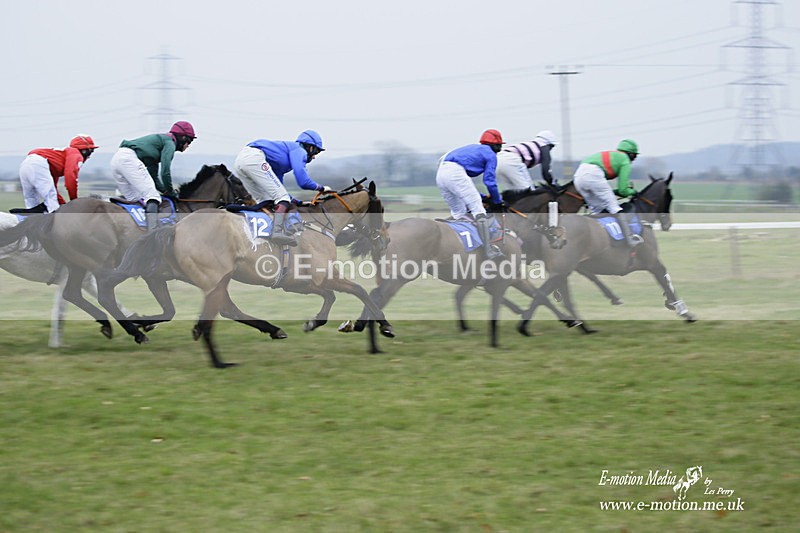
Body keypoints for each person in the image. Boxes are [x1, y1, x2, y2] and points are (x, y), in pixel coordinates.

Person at [234, 130, 333, 245]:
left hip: (241, 161)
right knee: (281, 198)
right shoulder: (299, 150)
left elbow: (278, 187)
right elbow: (303, 181)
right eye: (316, 151)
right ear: (309, 147)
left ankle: (257, 234)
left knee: (266, 200)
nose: (315, 156)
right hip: (254, 158)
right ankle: (277, 232)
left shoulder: (282, 159)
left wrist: (297, 201)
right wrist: (321, 188)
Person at [110, 121, 196, 231]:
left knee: (135, 199)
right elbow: (165, 172)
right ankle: (153, 233)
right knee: (153, 197)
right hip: (129, 160)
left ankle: (135, 230)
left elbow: (154, 177)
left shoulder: (155, 149)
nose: (188, 145)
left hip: (117, 160)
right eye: (190, 141)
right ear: (183, 138)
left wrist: (164, 191)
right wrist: (171, 192)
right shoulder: (170, 143)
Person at [436, 129, 506, 259]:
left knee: (459, 213)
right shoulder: (490, 154)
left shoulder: (472, 148)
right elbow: (490, 181)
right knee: (478, 210)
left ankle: (455, 245)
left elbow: (463, 186)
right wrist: (497, 201)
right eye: (500, 145)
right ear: (496, 144)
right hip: (454, 172)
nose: (500, 148)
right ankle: (488, 250)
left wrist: (483, 197)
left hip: (441, 174)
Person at [573, 139, 643, 248]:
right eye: (634, 156)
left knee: (597, 211)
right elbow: (623, 190)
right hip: (593, 175)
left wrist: (615, 192)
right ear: (630, 154)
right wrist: (634, 192)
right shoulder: (625, 160)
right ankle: (630, 240)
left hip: (578, 176)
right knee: (615, 208)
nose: (634, 159)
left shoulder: (614, 155)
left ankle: (595, 239)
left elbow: (610, 191)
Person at [18, 135, 98, 213]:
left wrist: (62, 203)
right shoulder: (76, 154)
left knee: (31, 200)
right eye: (91, 152)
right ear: (84, 150)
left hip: (26, 164)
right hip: (38, 163)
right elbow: (71, 180)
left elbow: (54, 188)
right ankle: (56, 223)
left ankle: (27, 222)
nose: (89, 157)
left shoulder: (57, 160)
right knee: (51, 202)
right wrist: (74, 201)